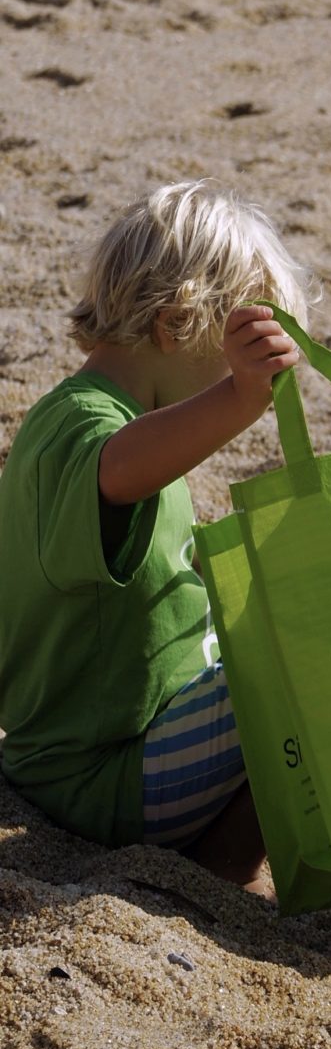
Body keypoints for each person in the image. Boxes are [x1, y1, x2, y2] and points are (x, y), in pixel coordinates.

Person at [0, 181, 313, 894]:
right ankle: (215, 874)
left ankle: (221, 865)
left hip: (139, 740)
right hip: (100, 776)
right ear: (175, 327)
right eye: (232, 350)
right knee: (304, 658)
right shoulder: (83, 428)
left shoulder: (119, 423)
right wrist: (237, 399)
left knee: (287, 635)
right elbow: (117, 473)